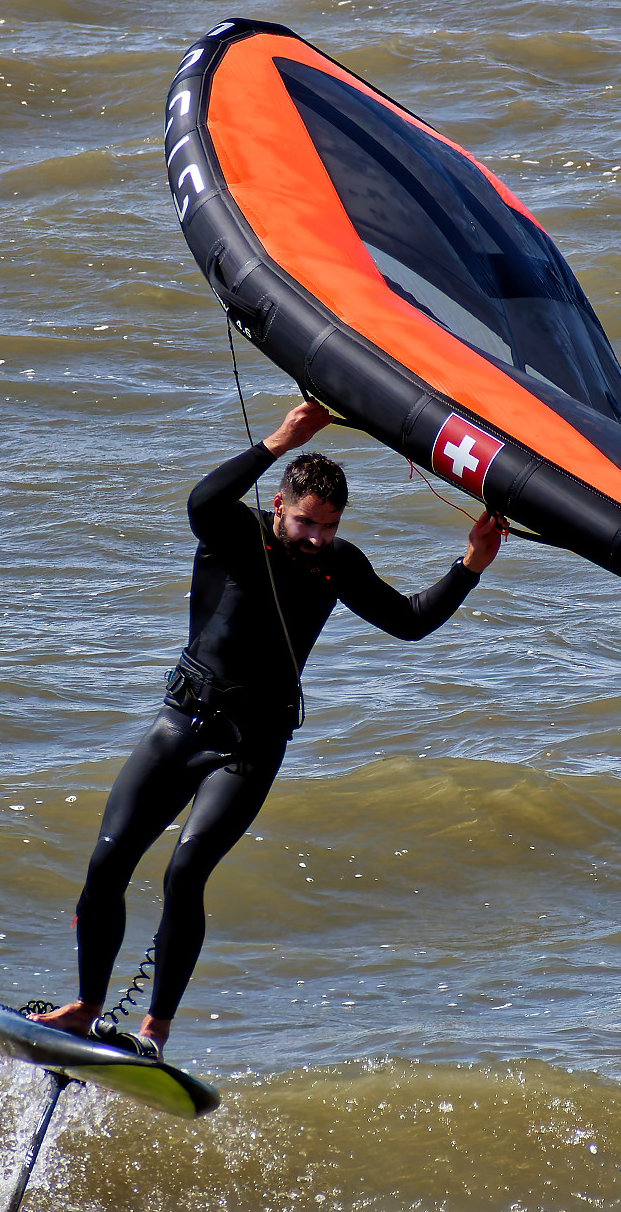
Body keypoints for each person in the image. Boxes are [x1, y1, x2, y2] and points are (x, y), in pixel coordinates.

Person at [32, 400, 501, 1057]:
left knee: (185, 871)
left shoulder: (337, 565)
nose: (315, 538)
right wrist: (278, 440)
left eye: (328, 527)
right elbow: (201, 502)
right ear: (279, 504)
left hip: (249, 747)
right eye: (306, 522)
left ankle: (154, 1032)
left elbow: (408, 621)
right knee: (107, 862)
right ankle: (84, 1006)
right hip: (182, 724)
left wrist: (470, 565)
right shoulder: (234, 534)